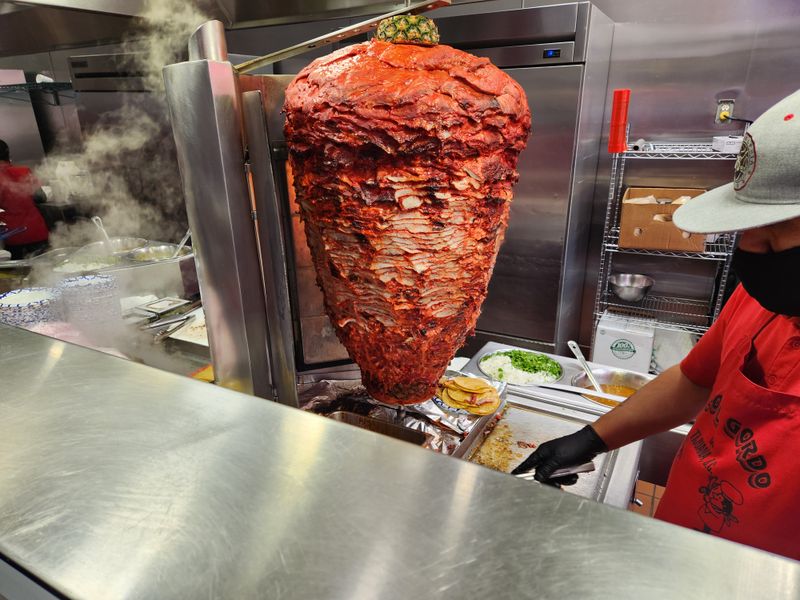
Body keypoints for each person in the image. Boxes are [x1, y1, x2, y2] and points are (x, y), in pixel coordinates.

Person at [512, 89, 800, 560]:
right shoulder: (757, 298)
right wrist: (592, 438)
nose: (751, 249)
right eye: (747, 230)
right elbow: (693, 380)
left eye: (775, 236)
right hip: (677, 537)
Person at [0, 139, 49, 259]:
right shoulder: (23, 171)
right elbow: (40, 197)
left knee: (20, 273)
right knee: (46, 269)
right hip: (36, 231)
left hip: (12, 236)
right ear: (7, 154)